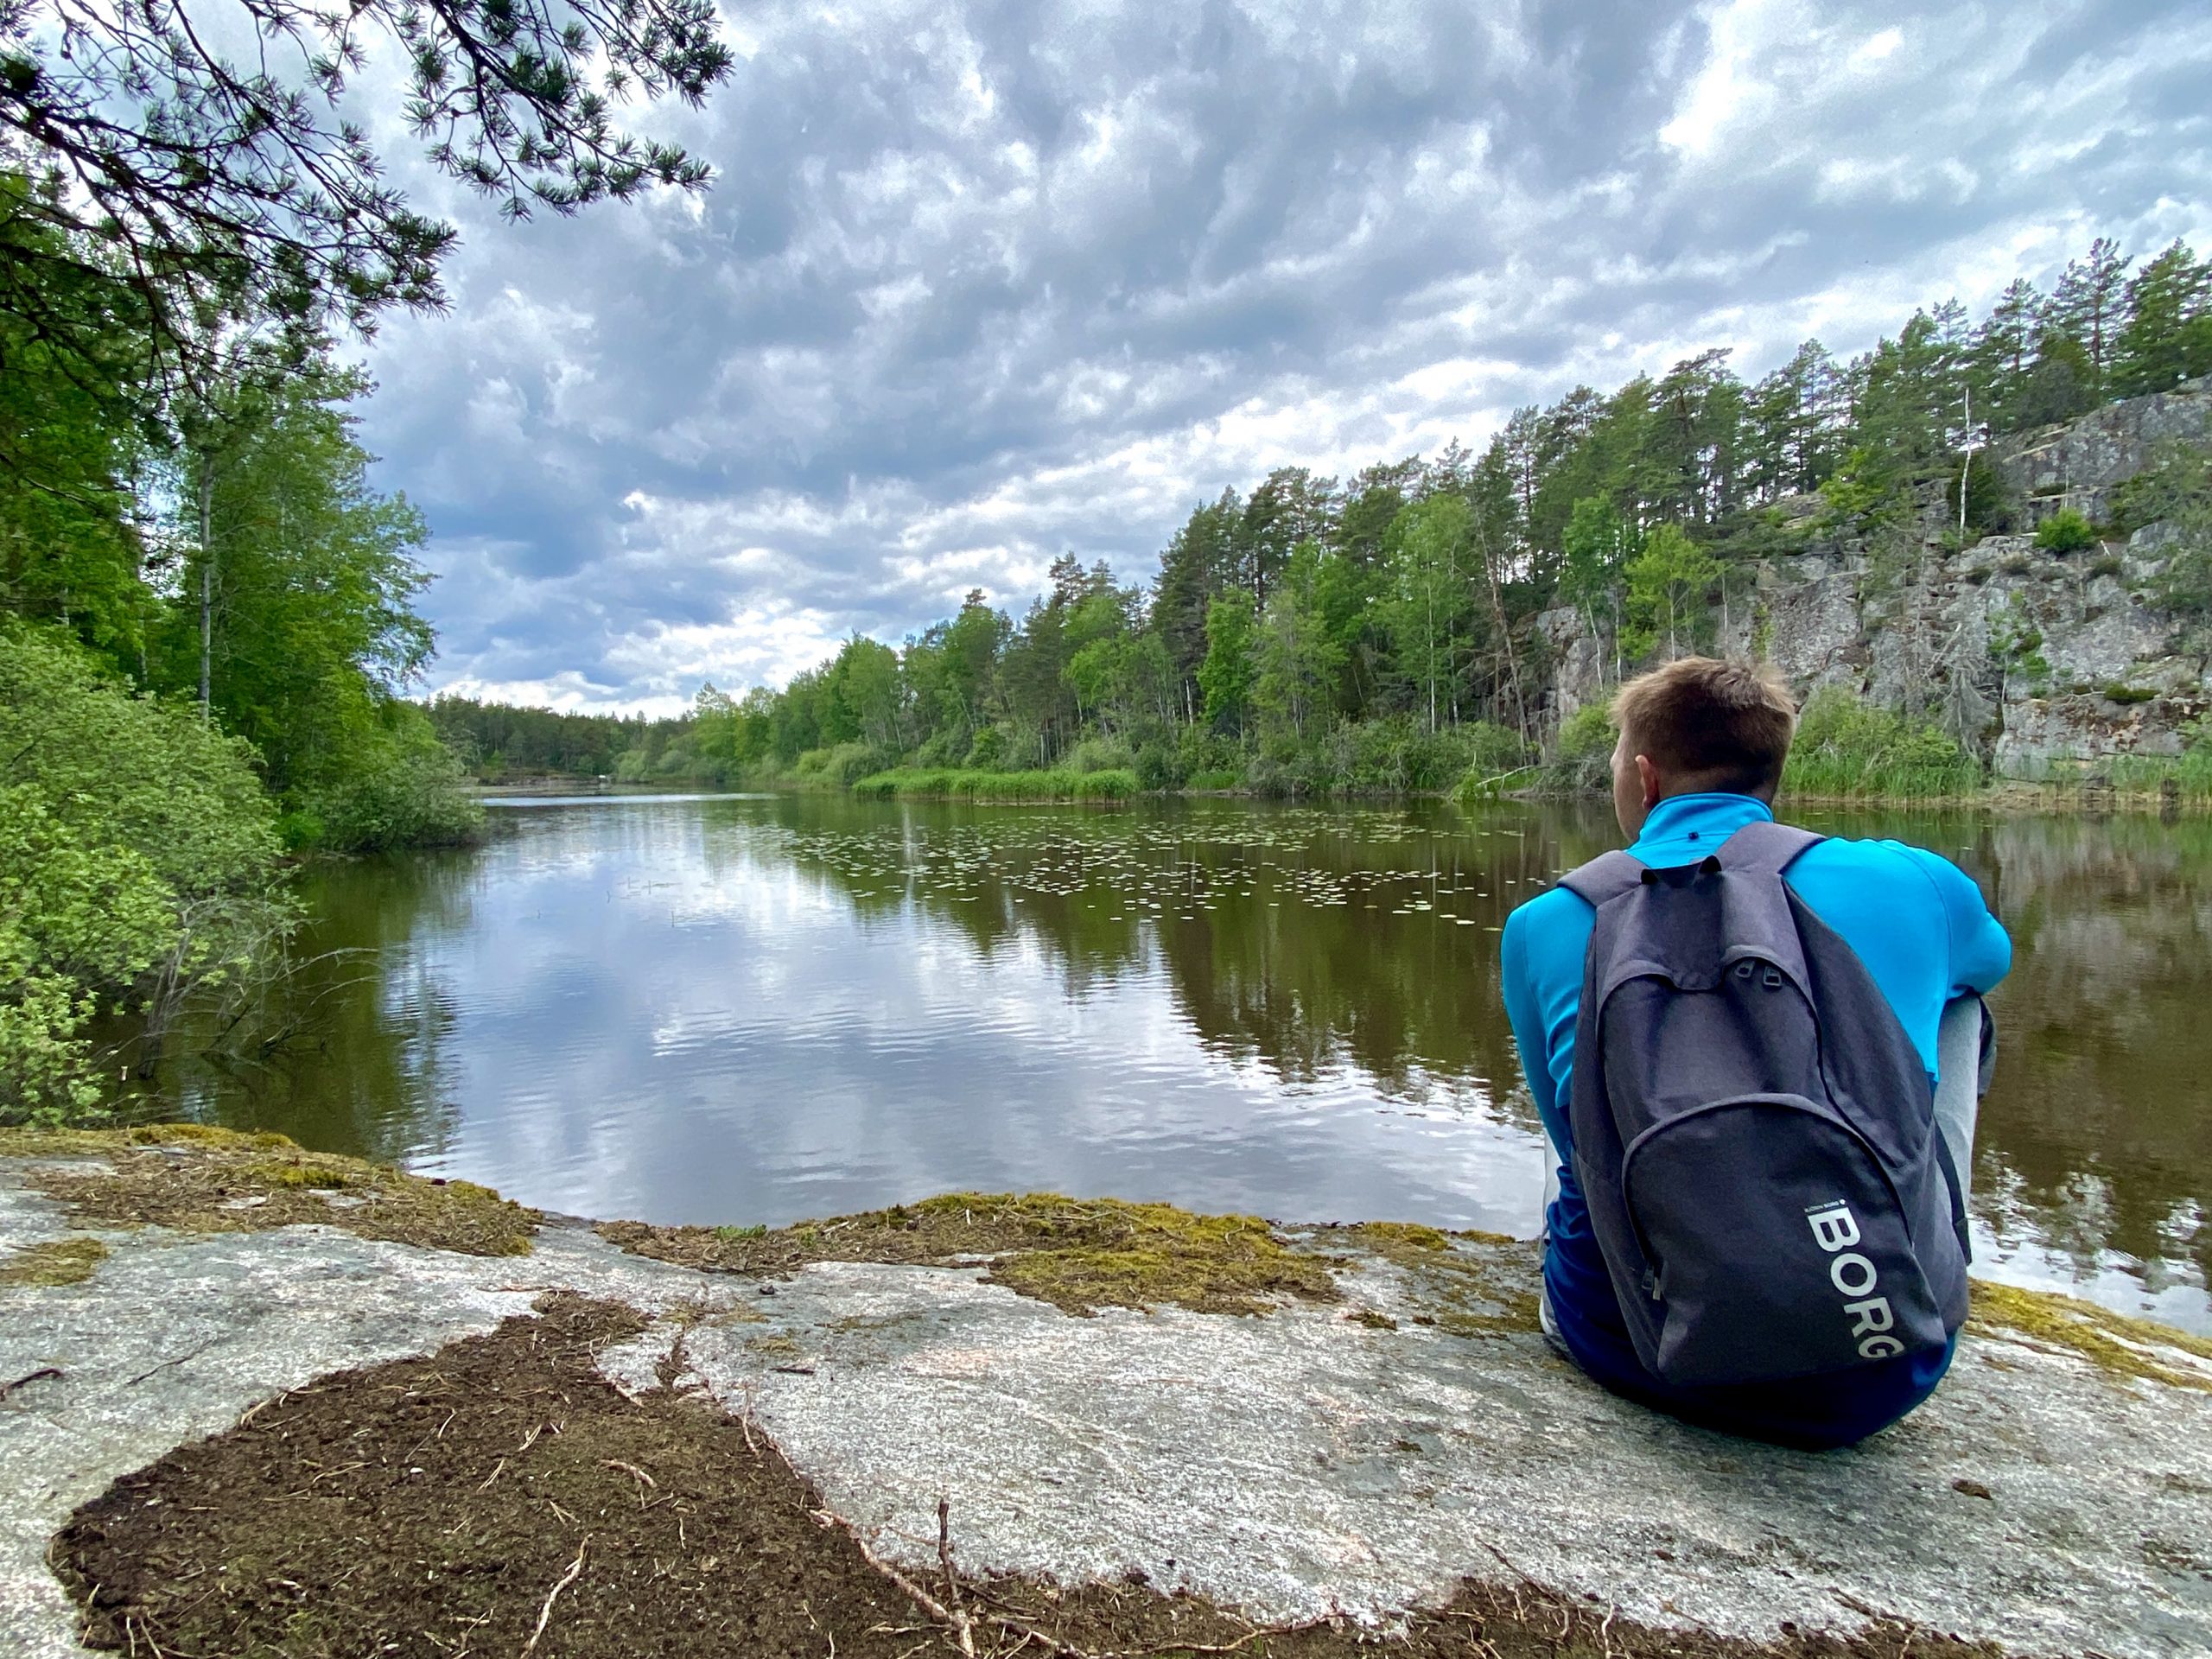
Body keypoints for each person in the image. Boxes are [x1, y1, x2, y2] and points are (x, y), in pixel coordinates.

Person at [1500, 658, 2011, 1448]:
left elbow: (1578, 1147)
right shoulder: (1917, 879)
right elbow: (1989, 964)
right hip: (1882, 1366)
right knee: (1961, 1004)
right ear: (1771, 772)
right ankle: (1907, 1245)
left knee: (1588, 1088)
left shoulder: (1550, 919)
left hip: (1632, 1347)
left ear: (1645, 776)